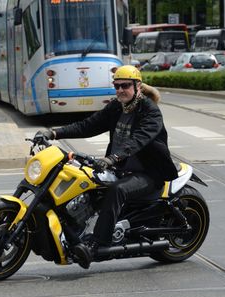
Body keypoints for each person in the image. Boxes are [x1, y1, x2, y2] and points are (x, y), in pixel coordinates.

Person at [38, 65, 178, 269]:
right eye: (117, 86)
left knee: (116, 190)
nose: (120, 90)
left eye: (125, 86)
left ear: (137, 86)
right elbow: (88, 125)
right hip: (120, 168)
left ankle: (98, 244)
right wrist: (54, 133)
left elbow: (138, 140)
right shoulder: (116, 107)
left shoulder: (150, 111)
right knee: (85, 181)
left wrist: (112, 158)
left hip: (148, 172)